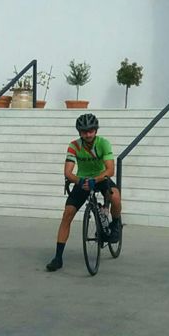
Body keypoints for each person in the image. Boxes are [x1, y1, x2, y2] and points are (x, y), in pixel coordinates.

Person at [46, 113, 122, 272]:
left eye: (91, 131)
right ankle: (58, 258)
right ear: (79, 132)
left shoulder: (103, 144)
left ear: (96, 130)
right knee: (67, 214)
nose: (88, 134)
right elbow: (68, 172)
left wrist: (95, 180)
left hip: (101, 178)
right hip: (82, 180)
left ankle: (115, 225)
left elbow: (110, 170)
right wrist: (79, 181)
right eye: (84, 131)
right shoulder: (74, 146)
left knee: (115, 197)